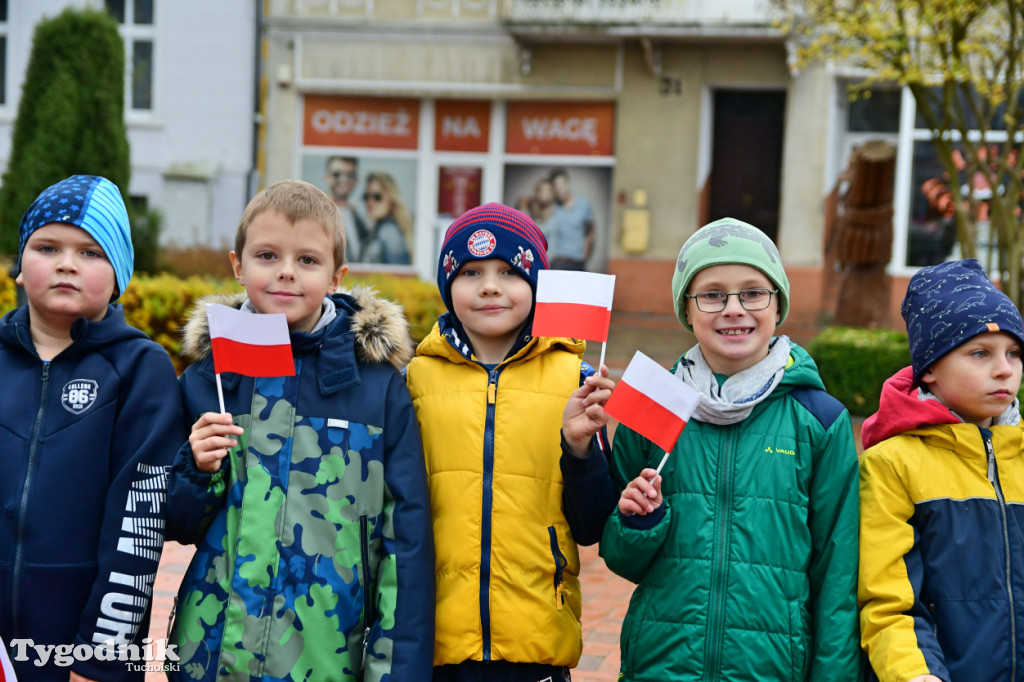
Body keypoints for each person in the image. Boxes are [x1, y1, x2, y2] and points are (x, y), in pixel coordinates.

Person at [165, 179, 434, 680]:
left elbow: (408, 546)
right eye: (267, 255)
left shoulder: (378, 390)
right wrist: (196, 469)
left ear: (337, 276)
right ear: (238, 265)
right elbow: (176, 524)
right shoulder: (209, 380)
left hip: (326, 659)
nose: (286, 272)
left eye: (308, 260)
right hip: (210, 658)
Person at [599, 217, 862, 681]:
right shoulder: (653, 406)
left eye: (753, 292)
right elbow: (619, 557)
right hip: (662, 666)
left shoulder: (821, 419)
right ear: (688, 309)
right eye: (713, 294)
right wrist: (640, 521)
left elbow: (836, 576)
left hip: (773, 670)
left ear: (777, 305)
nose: (734, 309)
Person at [404, 202, 618, 681]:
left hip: (536, 639)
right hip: (435, 642)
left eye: (509, 271)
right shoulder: (413, 379)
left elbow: (592, 525)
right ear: (447, 286)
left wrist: (579, 448)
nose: (490, 286)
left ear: (536, 285)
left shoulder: (576, 381)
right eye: (471, 271)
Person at [0, 175, 188, 681]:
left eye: (90, 252)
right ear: (19, 266)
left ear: (119, 272)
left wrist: (101, 658)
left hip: (82, 648)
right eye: (47, 246)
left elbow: (139, 524)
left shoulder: (140, 369)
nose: (66, 263)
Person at [859, 258, 1024, 682]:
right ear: (929, 369)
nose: (1005, 369)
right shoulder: (891, 464)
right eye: (980, 353)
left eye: (1014, 353)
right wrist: (914, 673)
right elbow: (886, 600)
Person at [546, 169, 594, 271]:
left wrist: (585, 256)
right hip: (558, 263)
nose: (559, 190)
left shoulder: (583, 205)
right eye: (556, 187)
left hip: (578, 263)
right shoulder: (552, 207)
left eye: (561, 186)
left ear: (567, 184)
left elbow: (591, 232)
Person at [360, 171, 412, 265]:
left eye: (377, 197)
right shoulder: (377, 230)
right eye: (366, 196)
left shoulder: (389, 232)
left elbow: (398, 275)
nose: (370, 202)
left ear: (390, 199)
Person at [324, 155, 367, 260]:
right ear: (326, 177)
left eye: (350, 175)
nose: (343, 179)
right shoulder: (316, 214)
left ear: (356, 180)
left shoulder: (358, 216)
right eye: (337, 174)